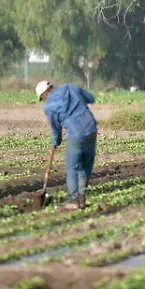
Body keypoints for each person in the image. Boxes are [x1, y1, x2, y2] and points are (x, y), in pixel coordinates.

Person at [36, 80, 97, 210]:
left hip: (76, 134)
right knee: (85, 165)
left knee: (72, 166)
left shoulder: (49, 106)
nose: (44, 101)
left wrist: (56, 141)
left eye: (42, 98)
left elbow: (56, 128)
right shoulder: (71, 87)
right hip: (91, 129)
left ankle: (74, 198)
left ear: (45, 94)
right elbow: (91, 98)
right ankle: (81, 196)